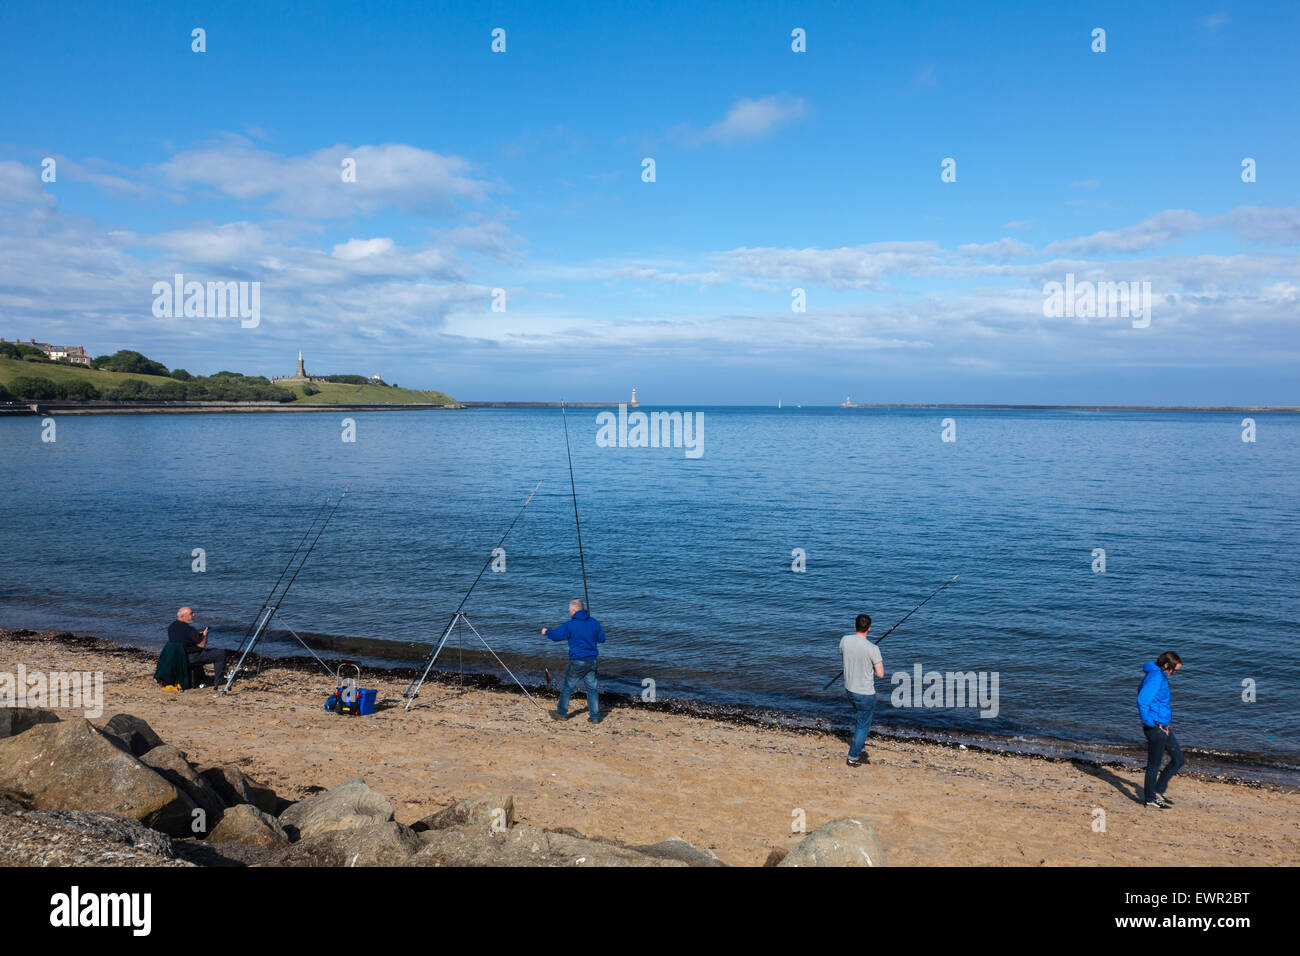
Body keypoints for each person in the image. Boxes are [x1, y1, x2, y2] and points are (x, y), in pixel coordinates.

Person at [542, 599, 606, 723]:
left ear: (574, 610)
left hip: (578, 661)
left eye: (570, 611)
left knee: (567, 687)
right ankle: (595, 717)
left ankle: (561, 713)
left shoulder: (571, 625)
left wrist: (546, 632)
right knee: (592, 689)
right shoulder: (593, 622)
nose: (570, 613)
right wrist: (591, 631)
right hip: (592, 661)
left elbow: (556, 636)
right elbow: (602, 639)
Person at [1137, 650, 1185, 809]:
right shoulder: (1156, 677)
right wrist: (1149, 723)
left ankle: (1158, 789)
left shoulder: (1159, 676)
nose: (1174, 673)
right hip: (1155, 727)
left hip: (1163, 726)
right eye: (1174, 670)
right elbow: (1142, 700)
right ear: (1166, 665)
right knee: (1154, 765)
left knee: (1178, 759)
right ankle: (1150, 799)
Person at [840, 614, 884, 767]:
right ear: (869, 628)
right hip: (865, 693)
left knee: (860, 720)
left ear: (855, 625)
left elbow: (844, 655)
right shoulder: (873, 649)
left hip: (849, 689)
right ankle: (853, 757)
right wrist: (870, 667)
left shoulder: (845, 640)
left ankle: (860, 746)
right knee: (862, 725)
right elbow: (881, 674)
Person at [167, 606, 227, 688]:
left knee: (202, 652)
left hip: (178, 657)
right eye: (191, 614)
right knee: (220, 653)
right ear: (183, 616)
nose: (193, 615)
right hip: (189, 657)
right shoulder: (189, 629)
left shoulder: (172, 626)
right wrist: (205, 635)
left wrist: (197, 635)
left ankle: (202, 676)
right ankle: (219, 680)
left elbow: (182, 638)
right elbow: (202, 645)